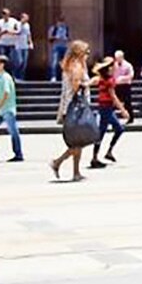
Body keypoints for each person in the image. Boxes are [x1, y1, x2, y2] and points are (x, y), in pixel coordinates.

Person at [50, 40, 91, 182]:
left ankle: (75, 172)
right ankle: (58, 162)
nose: (88, 54)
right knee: (79, 141)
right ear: (79, 52)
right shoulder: (76, 66)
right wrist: (90, 83)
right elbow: (76, 86)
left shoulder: (72, 65)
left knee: (78, 141)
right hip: (76, 107)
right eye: (86, 52)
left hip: (70, 107)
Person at [89, 57, 128, 168]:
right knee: (101, 133)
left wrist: (85, 84)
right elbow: (113, 96)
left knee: (119, 129)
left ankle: (108, 152)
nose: (115, 67)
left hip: (107, 109)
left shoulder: (101, 78)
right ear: (109, 68)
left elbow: (92, 81)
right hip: (105, 109)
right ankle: (94, 158)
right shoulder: (109, 80)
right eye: (113, 65)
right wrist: (123, 110)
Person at [113, 50, 135, 124]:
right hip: (116, 85)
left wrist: (123, 78)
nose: (117, 59)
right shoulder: (114, 65)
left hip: (125, 85)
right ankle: (113, 119)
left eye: (118, 57)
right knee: (114, 102)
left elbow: (131, 75)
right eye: (116, 58)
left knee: (127, 102)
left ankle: (131, 118)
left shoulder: (128, 65)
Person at [48, 15, 70, 82]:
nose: (61, 23)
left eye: (62, 21)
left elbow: (68, 37)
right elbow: (50, 38)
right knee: (54, 62)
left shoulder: (66, 28)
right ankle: (53, 76)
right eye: (60, 21)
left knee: (65, 63)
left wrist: (66, 39)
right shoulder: (53, 28)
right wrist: (56, 37)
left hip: (64, 46)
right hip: (56, 46)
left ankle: (64, 76)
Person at [14, 12, 34, 80]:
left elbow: (29, 35)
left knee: (24, 63)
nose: (27, 19)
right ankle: (16, 75)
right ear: (22, 18)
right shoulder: (17, 24)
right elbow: (16, 32)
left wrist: (30, 43)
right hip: (18, 46)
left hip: (25, 46)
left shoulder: (27, 25)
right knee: (20, 61)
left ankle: (21, 77)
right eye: (25, 18)